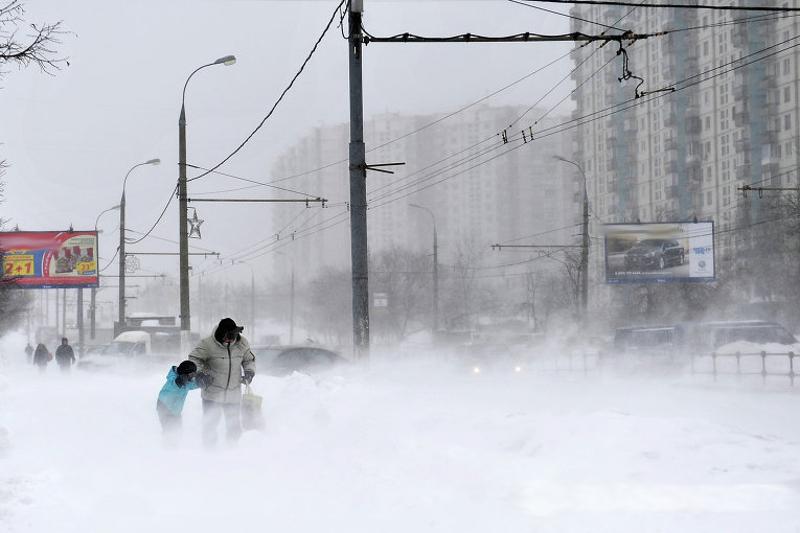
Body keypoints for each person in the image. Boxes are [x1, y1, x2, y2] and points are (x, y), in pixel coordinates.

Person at [188, 318, 256, 447]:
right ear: (221, 333)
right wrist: (200, 373)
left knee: (234, 427)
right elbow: (194, 359)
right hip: (212, 394)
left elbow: (249, 360)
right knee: (210, 425)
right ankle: (209, 451)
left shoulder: (242, 344)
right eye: (227, 337)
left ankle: (233, 450)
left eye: (232, 337)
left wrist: (249, 372)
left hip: (233, 394)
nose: (229, 340)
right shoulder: (207, 344)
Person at [156, 360, 206, 442]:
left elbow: (190, 385)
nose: (193, 376)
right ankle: (167, 446)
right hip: (165, 407)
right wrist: (179, 381)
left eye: (194, 374)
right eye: (192, 374)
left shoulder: (186, 381)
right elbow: (174, 384)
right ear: (185, 373)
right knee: (170, 433)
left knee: (177, 432)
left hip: (175, 410)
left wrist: (201, 382)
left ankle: (173, 445)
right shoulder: (173, 381)